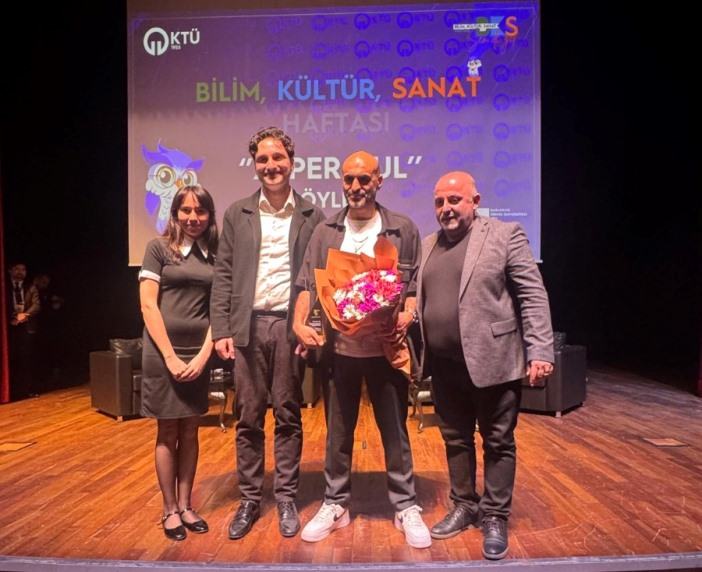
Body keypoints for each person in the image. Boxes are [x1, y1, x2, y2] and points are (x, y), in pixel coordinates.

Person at [292, 150, 431, 549]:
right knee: (337, 434)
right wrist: (299, 324)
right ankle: (336, 503)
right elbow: (306, 285)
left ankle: (405, 505)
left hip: (386, 349)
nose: (356, 187)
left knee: (395, 432)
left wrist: (408, 312)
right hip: (340, 352)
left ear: (378, 181)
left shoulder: (402, 229)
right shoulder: (325, 231)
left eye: (364, 179)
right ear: (342, 182)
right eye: (349, 179)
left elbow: (415, 287)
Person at [417, 171, 554, 560]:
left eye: (454, 200)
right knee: (455, 439)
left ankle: (494, 515)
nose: (446, 208)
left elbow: (532, 294)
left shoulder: (505, 234)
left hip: (494, 361)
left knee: (498, 441)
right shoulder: (428, 245)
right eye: (440, 202)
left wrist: (540, 350)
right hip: (444, 365)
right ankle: (464, 505)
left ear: (475, 201)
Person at [210, 127, 325, 540]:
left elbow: (320, 279)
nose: (270, 165)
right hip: (248, 326)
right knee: (248, 415)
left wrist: (311, 327)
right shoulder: (237, 213)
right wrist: (221, 327)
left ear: (292, 163)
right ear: (254, 164)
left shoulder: (312, 215)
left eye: (278, 158)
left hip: (290, 327)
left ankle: (287, 497)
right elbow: (224, 274)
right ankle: (249, 499)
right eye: (262, 159)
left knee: (289, 413)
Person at [138, 184, 219, 541]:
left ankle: (187, 505)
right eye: (186, 210)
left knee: (190, 429)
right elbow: (147, 305)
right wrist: (170, 357)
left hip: (198, 353)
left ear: (209, 215)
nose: (193, 218)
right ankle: (169, 509)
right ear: (175, 214)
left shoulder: (216, 254)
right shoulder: (158, 248)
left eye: (200, 211)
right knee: (167, 430)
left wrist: (203, 355)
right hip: (162, 353)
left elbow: (220, 309)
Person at [6, 261, 41, 400]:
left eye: (23, 269)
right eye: (17, 269)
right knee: (9, 359)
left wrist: (24, 316)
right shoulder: (4, 286)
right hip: (8, 326)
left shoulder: (31, 287)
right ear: (10, 270)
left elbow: (36, 305)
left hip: (25, 327)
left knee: (25, 359)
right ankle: (9, 391)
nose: (21, 272)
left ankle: (26, 390)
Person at [32, 272, 65, 391]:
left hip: (46, 327)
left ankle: (52, 376)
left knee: (51, 350)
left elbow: (59, 300)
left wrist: (58, 302)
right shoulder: (30, 290)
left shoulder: (46, 293)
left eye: (47, 283)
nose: (45, 285)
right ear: (37, 280)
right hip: (32, 326)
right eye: (44, 282)